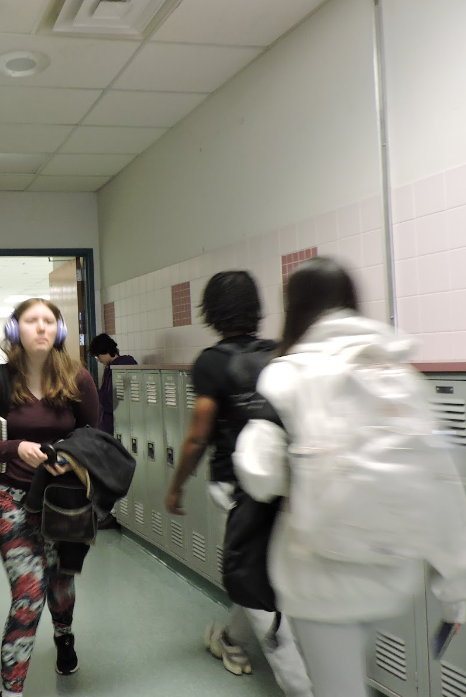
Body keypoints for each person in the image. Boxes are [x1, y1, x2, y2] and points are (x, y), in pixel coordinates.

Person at [234, 257, 466, 697]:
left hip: (318, 575)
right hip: (392, 571)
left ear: (294, 308)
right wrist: (456, 583)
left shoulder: (287, 374)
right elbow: (441, 479)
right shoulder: (399, 373)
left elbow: (259, 474)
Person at [164, 271, 312, 697]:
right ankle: (229, 640)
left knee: (256, 577)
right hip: (285, 482)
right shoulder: (278, 353)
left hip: (234, 485)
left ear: (210, 311)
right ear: (256, 307)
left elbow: (197, 436)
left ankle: (299, 686)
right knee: (258, 568)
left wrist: (175, 485)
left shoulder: (212, 361)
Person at [0, 298, 99, 697]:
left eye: (50, 321)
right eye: (32, 321)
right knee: (29, 591)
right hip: (12, 500)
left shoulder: (77, 378)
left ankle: (63, 636)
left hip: (62, 500)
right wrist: (18, 448)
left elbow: (93, 438)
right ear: (16, 331)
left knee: (61, 583)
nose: (42, 328)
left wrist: (71, 457)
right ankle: (12, 691)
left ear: (60, 332)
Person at [88, 333, 137, 436]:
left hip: (116, 422)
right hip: (111, 421)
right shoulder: (111, 368)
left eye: (98, 356)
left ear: (105, 351)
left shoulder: (121, 368)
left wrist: (93, 392)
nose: (98, 360)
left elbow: (111, 400)